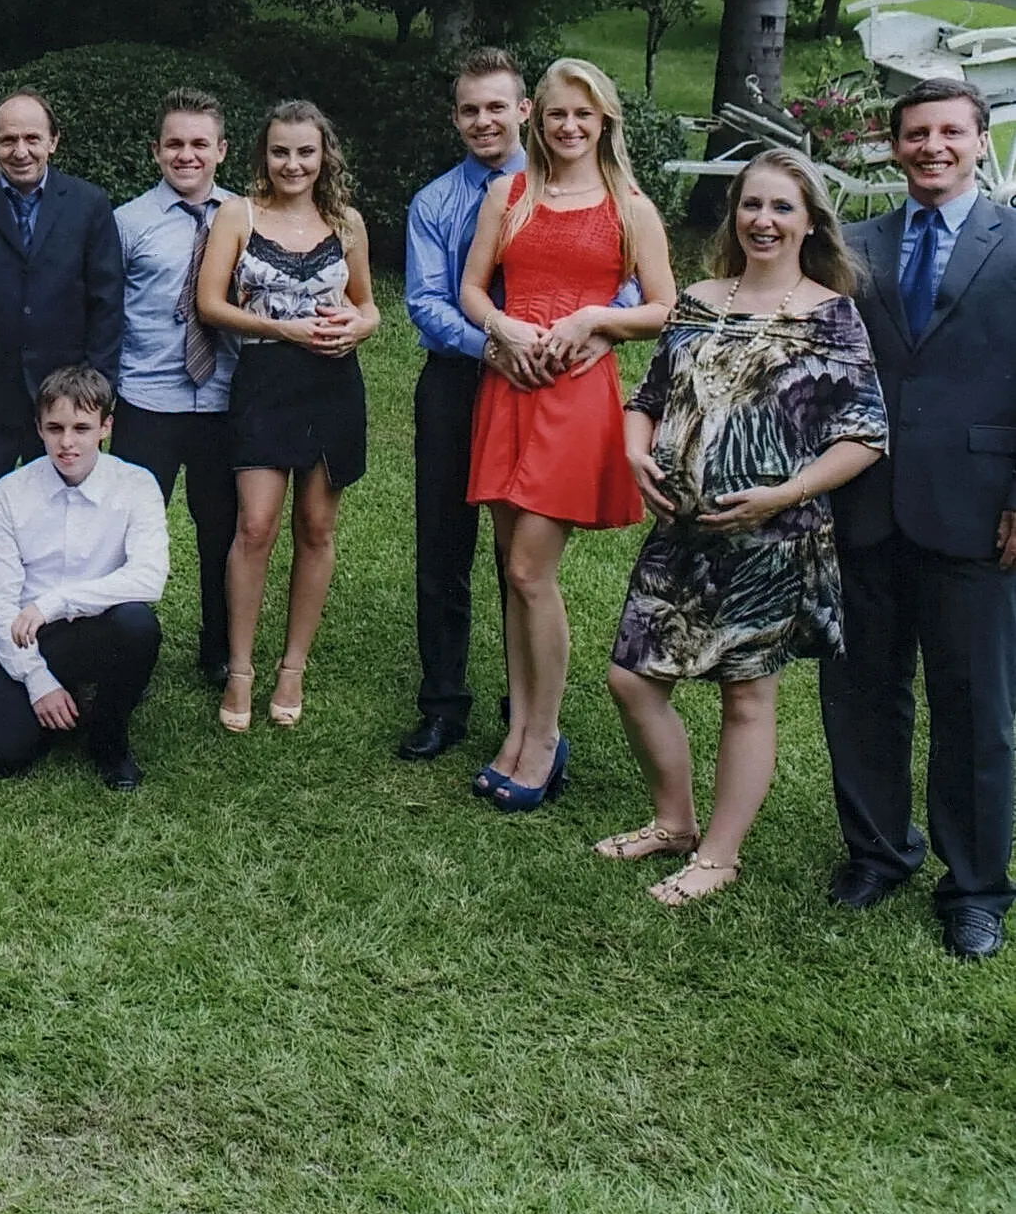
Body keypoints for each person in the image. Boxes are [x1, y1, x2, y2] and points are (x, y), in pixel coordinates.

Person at [602, 150, 885, 905]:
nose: (762, 220)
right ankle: (674, 820)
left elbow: (865, 434)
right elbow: (647, 396)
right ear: (734, 215)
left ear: (807, 222)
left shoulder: (829, 313)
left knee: (745, 695)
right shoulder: (696, 300)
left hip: (773, 538)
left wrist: (782, 492)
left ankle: (720, 855)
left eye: (780, 208)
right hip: (680, 534)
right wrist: (635, 456)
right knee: (631, 677)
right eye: (750, 205)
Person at [821, 77, 1016, 961]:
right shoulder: (852, 247)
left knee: (975, 704)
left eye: (948, 132)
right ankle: (877, 849)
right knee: (862, 690)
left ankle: (974, 885)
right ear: (892, 148)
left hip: (977, 510)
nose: (930, 147)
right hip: (862, 505)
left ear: (978, 141)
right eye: (913, 134)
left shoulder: (1013, 243)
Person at [461, 57, 674, 812]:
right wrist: (500, 325)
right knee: (509, 567)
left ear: (603, 121)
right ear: (536, 118)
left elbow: (662, 307)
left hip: (576, 396)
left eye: (583, 114)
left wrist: (594, 320)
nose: (569, 126)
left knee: (528, 569)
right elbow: (470, 286)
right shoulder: (506, 193)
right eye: (556, 113)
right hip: (508, 388)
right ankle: (516, 728)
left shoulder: (628, 204)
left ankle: (544, 738)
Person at [0, 90, 125, 697]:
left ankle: (58, 646)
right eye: (8, 139)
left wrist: (91, 402)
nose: (21, 149)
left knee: (61, 535)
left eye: (33, 138)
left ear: (53, 142)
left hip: (63, 411)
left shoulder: (88, 206)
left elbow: (106, 307)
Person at [195, 101, 378, 731]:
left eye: (304, 152)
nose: (292, 164)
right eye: (280, 152)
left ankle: (292, 666)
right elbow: (211, 304)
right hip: (264, 381)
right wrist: (282, 328)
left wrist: (357, 327)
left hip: (333, 385)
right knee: (255, 526)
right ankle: (241, 668)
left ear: (323, 154)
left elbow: (369, 307)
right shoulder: (238, 216)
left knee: (317, 527)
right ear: (262, 155)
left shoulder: (346, 222)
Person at [397, 48, 531, 761]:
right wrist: (490, 345)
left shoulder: (562, 191)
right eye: (469, 109)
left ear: (523, 110)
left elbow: (626, 289)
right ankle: (443, 703)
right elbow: (422, 303)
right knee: (442, 545)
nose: (483, 120)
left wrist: (563, 336)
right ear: (455, 118)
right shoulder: (435, 201)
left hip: (536, 385)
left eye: (495, 106)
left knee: (523, 555)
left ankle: (526, 707)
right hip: (456, 378)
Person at [0, 365, 167, 788]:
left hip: (103, 628)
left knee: (138, 624)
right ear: (38, 428)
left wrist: (55, 602)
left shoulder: (137, 485)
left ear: (106, 427)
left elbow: (149, 578)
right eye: (55, 428)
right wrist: (38, 679)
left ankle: (108, 735)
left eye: (82, 427)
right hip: (31, 637)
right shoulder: (10, 492)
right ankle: (64, 699)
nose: (67, 442)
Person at [111, 89, 239, 690]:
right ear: (156, 151)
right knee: (130, 530)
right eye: (174, 144)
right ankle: (119, 641)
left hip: (224, 399)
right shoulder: (129, 222)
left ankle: (219, 649)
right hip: (147, 399)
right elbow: (107, 313)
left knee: (223, 528)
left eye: (199, 144)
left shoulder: (246, 217)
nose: (186, 155)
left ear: (221, 150)